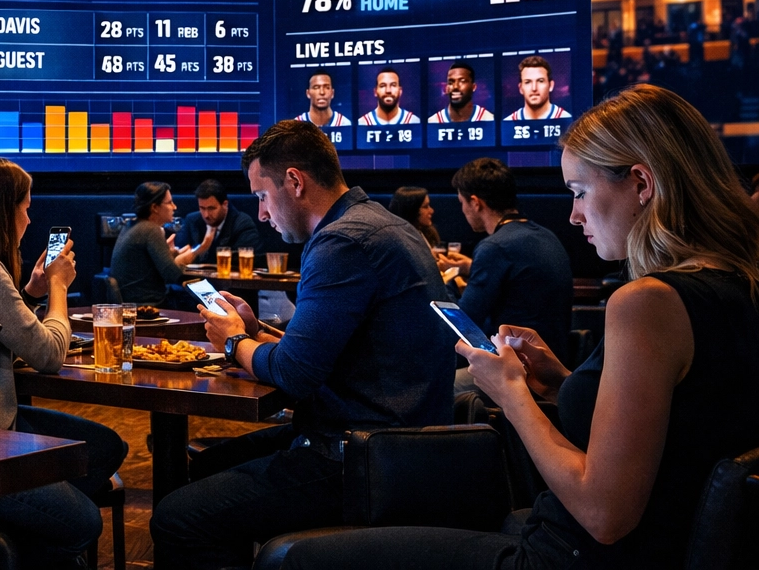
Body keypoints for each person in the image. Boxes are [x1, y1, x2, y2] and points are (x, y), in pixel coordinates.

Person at [279, 85, 759, 570]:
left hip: (563, 555)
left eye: (579, 192)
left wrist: (512, 395)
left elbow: (604, 513)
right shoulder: (738, 284)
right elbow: (679, 432)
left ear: (641, 183)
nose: (573, 214)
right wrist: (562, 386)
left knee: (293, 558)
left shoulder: (648, 302)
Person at [150, 120, 454, 568]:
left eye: (261, 196)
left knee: (176, 517)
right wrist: (254, 332)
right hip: (404, 445)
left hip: (366, 456)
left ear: (294, 181)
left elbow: (295, 374)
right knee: (210, 468)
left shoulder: (341, 241)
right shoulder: (381, 224)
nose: (261, 215)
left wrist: (233, 340)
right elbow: (324, 351)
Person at [0, 155, 128, 568]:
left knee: (105, 447)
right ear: (3, 211)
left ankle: (27, 527)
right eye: (25, 206)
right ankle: (1, 514)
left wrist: (32, 293)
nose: (29, 217)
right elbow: (49, 355)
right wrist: (58, 287)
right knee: (85, 522)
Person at [442, 157, 574, 371]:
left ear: (475, 203)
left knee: (436, 386)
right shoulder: (544, 235)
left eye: (462, 203)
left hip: (521, 372)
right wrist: (470, 267)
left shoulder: (495, 247)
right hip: (556, 366)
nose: (463, 210)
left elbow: (463, 325)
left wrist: (445, 280)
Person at [111, 181, 205, 307]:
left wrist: (170, 254)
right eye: (169, 202)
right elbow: (172, 275)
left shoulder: (130, 226)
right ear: (154, 207)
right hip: (148, 307)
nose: (174, 207)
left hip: (132, 303)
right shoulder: (151, 229)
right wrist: (192, 253)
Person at [177, 179, 258, 262]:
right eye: (202, 208)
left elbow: (240, 261)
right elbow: (179, 254)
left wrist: (204, 247)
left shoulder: (243, 224)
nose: (206, 215)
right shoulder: (191, 220)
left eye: (211, 208)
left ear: (225, 204)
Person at [503, 54, 571, 120]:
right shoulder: (509, 123)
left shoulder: (567, 120)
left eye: (540, 81)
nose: (534, 88)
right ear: (520, 88)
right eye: (528, 82)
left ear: (551, 85)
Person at [427, 61, 493, 123]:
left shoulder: (489, 119)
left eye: (462, 81)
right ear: (446, 88)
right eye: (451, 82)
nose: (455, 86)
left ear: (474, 87)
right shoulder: (433, 122)